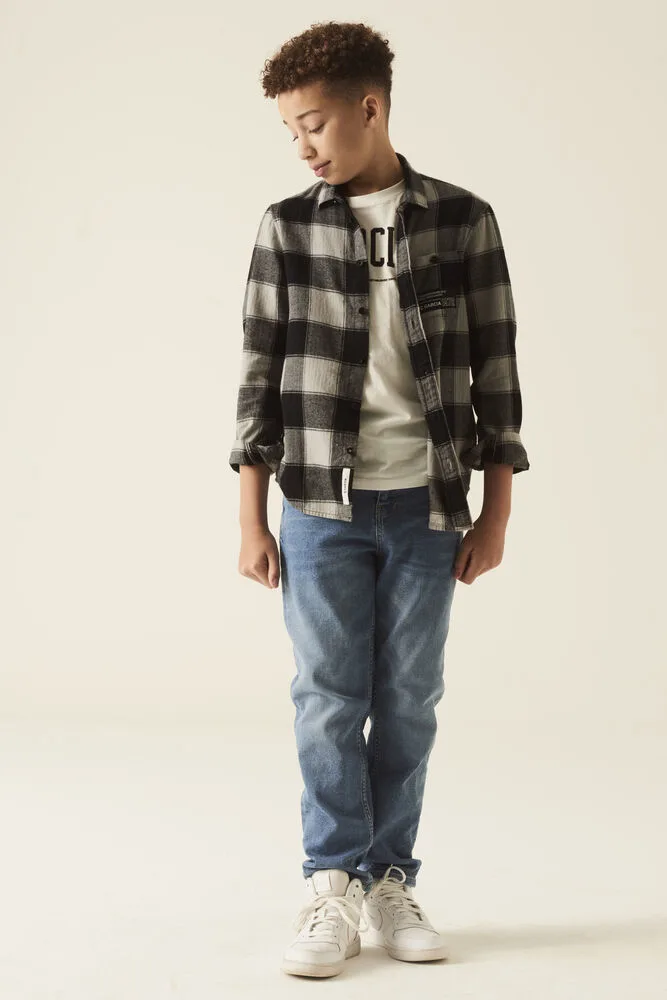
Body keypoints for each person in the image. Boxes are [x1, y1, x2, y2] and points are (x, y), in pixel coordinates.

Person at [229, 20, 530, 979]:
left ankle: (390, 876)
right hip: (319, 508)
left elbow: (496, 372)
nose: (303, 145)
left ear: (370, 107)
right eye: (290, 131)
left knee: (408, 699)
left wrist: (496, 512)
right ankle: (331, 881)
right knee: (327, 698)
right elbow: (258, 377)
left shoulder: (462, 220)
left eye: (314, 123)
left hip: (429, 507)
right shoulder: (286, 226)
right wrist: (250, 518)